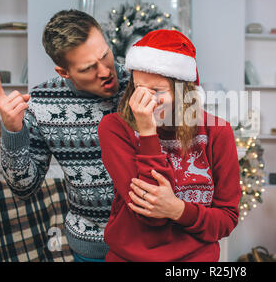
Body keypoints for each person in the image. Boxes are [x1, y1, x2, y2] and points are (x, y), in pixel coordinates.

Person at [0, 9, 130, 261]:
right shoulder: (42, 102)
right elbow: (24, 188)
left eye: (105, 55)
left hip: (154, 242)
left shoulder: (139, 84)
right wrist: (13, 132)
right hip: (92, 248)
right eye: (89, 68)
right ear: (64, 72)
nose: (105, 72)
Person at [97, 29, 241, 262]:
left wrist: (178, 210)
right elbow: (150, 216)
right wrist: (147, 132)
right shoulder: (114, 128)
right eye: (139, 88)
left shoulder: (218, 132)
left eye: (157, 91)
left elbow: (225, 220)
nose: (147, 100)